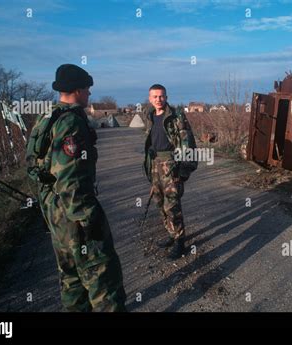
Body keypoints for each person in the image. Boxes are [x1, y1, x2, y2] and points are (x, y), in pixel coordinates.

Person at [26, 64, 126, 311]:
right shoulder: (71, 122)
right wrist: (88, 219)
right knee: (103, 276)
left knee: (70, 276)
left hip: (54, 209)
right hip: (74, 214)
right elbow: (70, 178)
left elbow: (31, 166)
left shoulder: (46, 117)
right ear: (78, 90)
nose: (90, 94)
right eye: (88, 89)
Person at [143, 84, 197, 260]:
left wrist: (184, 169)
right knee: (159, 202)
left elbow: (187, 142)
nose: (158, 99)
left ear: (166, 97)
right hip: (155, 164)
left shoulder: (176, 116)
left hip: (171, 163)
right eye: (155, 96)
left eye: (161, 96)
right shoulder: (149, 116)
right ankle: (171, 233)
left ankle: (180, 241)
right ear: (150, 98)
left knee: (172, 205)